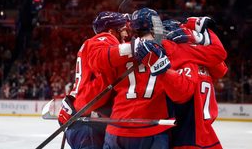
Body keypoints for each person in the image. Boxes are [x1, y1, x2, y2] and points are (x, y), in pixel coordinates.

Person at [102, 8, 227, 149]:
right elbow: (219, 62)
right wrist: (191, 29)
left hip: (117, 126)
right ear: (157, 27)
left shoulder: (119, 51)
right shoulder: (174, 48)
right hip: (157, 129)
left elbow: (97, 63)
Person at [58, 11, 135, 149]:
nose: (126, 35)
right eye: (123, 30)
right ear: (112, 31)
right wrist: (134, 47)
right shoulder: (104, 38)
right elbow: (103, 60)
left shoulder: (95, 43)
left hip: (82, 118)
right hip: (87, 123)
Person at [162, 17, 228, 149]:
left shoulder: (178, 52)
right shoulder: (205, 59)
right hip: (207, 134)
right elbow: (221, 68)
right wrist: (200, 31)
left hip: (186, 133)